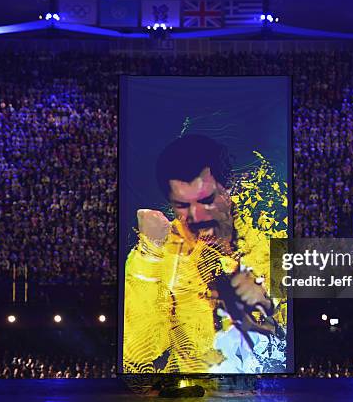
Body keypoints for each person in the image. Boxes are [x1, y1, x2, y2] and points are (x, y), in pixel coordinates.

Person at [123, 134, 287, 374]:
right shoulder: (159, 258)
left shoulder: (267, 239)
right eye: (183, 205)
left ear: (229, 190)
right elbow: (135, 354)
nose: (198, 217)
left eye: (206, 200)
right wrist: (150, 253)